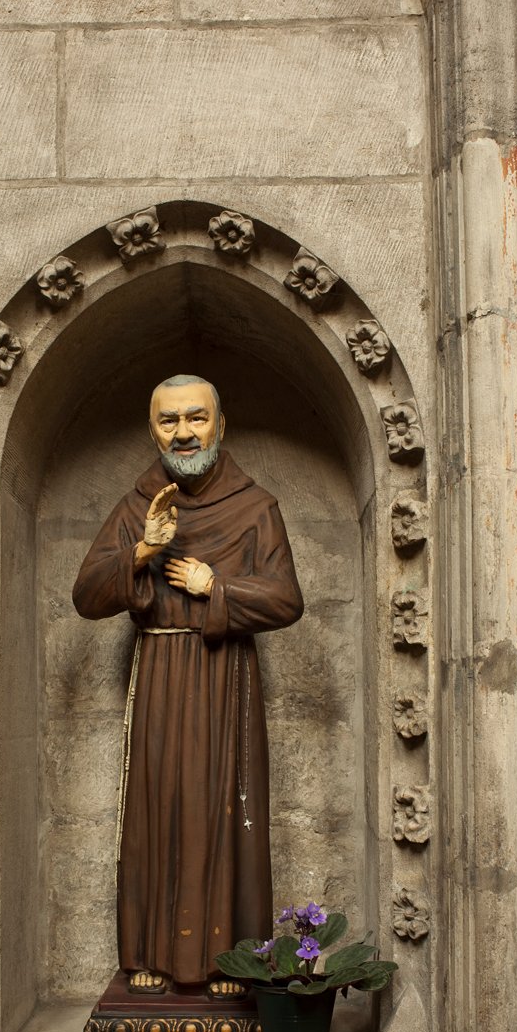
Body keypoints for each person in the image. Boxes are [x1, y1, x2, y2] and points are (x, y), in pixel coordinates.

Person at [72, 375, 303, 992]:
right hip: (159, 677)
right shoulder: (137, 504)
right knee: (157, 811)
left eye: (196, 418)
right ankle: (148, 956)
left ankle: (231, 958)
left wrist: (216, 587)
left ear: (220, 426)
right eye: (169, 421)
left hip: (226, 676)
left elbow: (287, 600)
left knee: (224, 810)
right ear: (153, 430)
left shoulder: (257, 507)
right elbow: (87, 595)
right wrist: (144, 550)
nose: (183, 432)